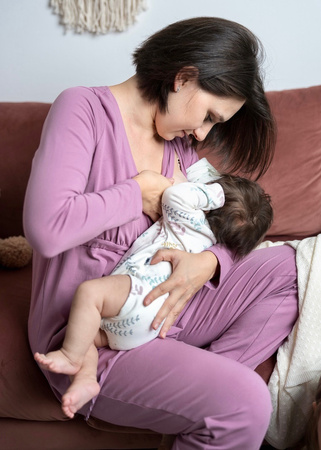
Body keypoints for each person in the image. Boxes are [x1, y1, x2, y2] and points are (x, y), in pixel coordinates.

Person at [23, 17, 299, 449]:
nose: (203, 133)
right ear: (183, 77)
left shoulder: (180, 146)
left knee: (293, 265)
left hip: (169, 308)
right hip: (96, 334)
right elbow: (46, 228)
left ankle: (207, 383)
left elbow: (229, 225)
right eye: (208, 115)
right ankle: (220, 398)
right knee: (246, 402)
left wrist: (205, 263)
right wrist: (138, 191)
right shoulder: (82, 109)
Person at [34, 157, 273, 418]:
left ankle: (70, 356)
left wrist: (212, 193)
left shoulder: (190, 221)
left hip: (139, 293)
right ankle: (86, 379)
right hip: (146, 327)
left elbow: (173, 195)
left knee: (89, 294)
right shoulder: (211, 241)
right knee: (90, 334)